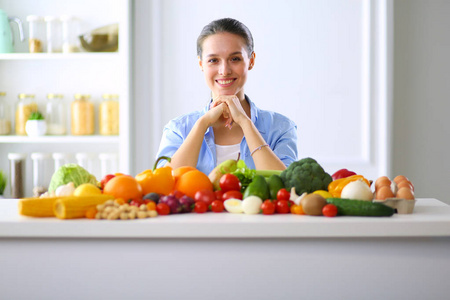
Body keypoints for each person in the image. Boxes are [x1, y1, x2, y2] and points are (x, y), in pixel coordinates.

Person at [156, 18, 298, 175]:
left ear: (251, 60)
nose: (224, 70)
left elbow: (285, 187)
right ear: (201, 64)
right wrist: (202, 124)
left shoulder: (280, 128)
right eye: (213, 60)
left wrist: (245, 123)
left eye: (235, 59)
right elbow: (165, 186)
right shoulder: (178, 130)